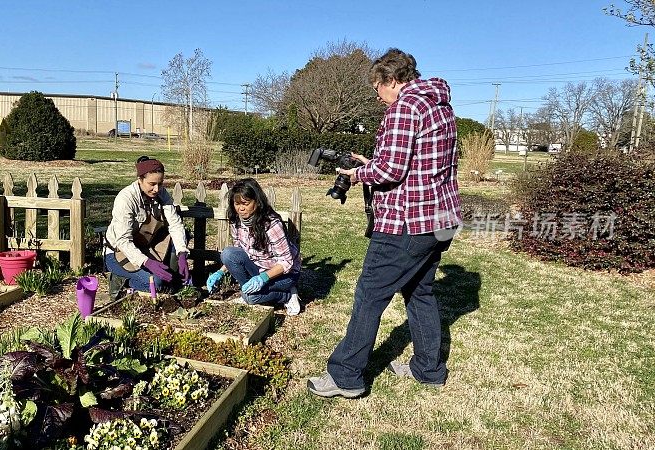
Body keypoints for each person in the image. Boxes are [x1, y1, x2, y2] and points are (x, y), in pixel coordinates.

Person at [307, 48, 462, 398]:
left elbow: (390, 170)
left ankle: (346, 375)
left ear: (391, 80)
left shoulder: (404, 107)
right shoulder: (440, 105)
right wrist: (371, 161)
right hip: (439, 218)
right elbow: (416, 162)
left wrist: (357, 172)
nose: (378, 97)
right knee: (419, 291)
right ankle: (429, 369)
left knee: (369, 295)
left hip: (407, 222)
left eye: (378, 87)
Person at [206, 178, 302, 316]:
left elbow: (286, 263)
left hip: (284, 275)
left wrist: (262, 278)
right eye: (237, 204)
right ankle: (251, 292)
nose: (241, 208)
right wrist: (220, 272)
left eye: (245, 203)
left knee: (251, 297)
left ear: (256, 203)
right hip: (258, 268)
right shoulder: (236, 220)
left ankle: (287, 295)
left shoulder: (271, 224)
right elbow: (238, 251)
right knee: (228, 253)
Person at [104, 156, 191, 293]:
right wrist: (147, 262)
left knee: (181, 236)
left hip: (145, 246)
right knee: (156, 284)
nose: (157, 189)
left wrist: (181, 253)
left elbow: (175, 224)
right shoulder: (126, 199)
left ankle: (174, 279)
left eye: (160, 183)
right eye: (152, 184)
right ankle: (121, 281)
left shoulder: (161, 194)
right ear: (140, 180)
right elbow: (123, 241)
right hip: (118, 253)